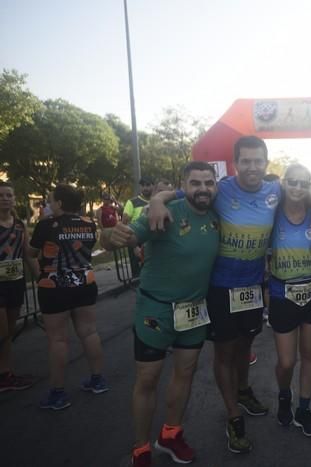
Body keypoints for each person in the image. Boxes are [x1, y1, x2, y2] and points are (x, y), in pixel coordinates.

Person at [147, 136, 311, 454]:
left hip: (254, 287)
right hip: (221, 288)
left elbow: (303, 189)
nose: (252, 166)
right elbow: (177, 193)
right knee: (225, 355)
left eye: (258, 161)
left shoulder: (274, 190)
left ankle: (243, 391)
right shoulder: (221, 189)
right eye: (246, 161)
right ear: (235, 163)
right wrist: (157, 202)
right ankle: (233, 417)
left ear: (266, 163)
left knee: (245, 346)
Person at [101, 161, 219, 467]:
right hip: (156, 310)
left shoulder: (218, 215)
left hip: (194, 310)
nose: (203, 189)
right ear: (184, 185)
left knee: (185, 373)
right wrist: (109, 236)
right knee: (148, 378)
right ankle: (141, 447)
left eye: (209, 182)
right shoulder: (165, 213)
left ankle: (171, 434)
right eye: (196, 183)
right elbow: (125, 236)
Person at [28, 184, 108, 410]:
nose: (48, 205)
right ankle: (98, 380)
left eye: (51, 201)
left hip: (54, 286)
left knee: (58, 339)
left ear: (60, 203)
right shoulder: (89, 224)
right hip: (85, 282)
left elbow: (32, 252)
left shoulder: (46, 225)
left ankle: (58, 393)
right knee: (90, 332)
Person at [270, 164, 311, 437]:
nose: (296, 187)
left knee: (309, 356)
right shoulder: (271, 213)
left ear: (309, 187)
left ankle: (304, 409)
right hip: (283, 294)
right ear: (284, 183)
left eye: (303, 183)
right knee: (286, 362)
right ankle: (284, 394)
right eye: (292, 182)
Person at [0, 181, 39, 392]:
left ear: (14, 199)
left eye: (9, 195)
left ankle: (5, 374)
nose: (5, 198)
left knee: (8, 333)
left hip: (15, 283)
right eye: (1, 195)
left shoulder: (19, 224)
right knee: (2, 331)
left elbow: (28, 254)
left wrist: (41, 278)